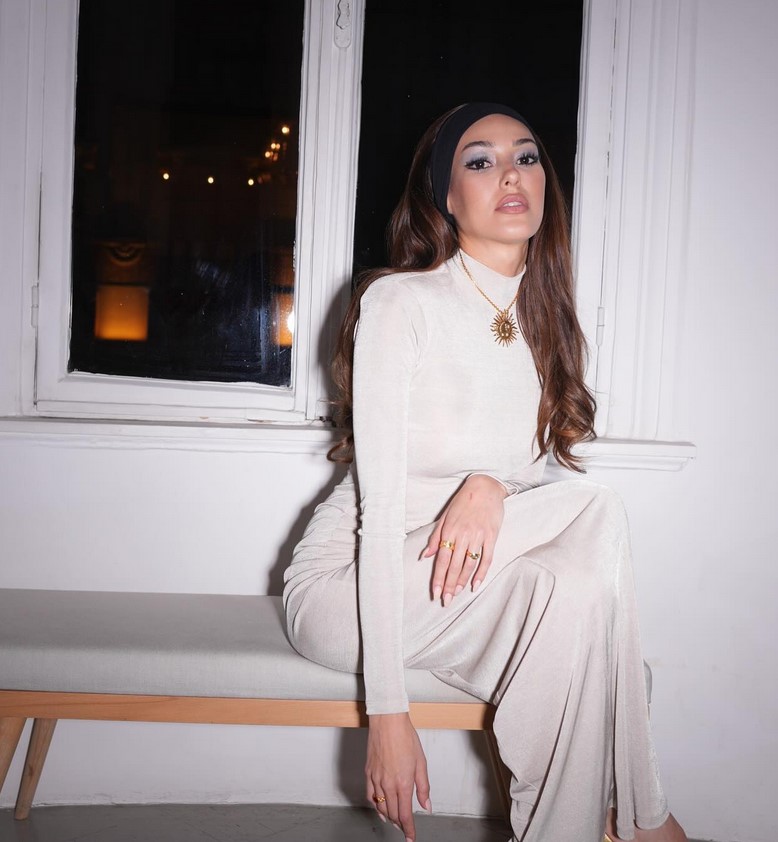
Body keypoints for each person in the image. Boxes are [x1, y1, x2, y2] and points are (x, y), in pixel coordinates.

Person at [283, 103, 687, 842]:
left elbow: (517, 488)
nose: (510, 174)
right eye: (480, 161)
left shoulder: (547, 322)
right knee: (595, 507)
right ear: (445, 195)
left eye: (526, 157)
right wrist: (389, 715)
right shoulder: (400, 303)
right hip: (353, 586)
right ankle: (645, 819)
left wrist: (490, 485)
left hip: (462, 583)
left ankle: (577, 825)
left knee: (574, 590)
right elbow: (379, 517)